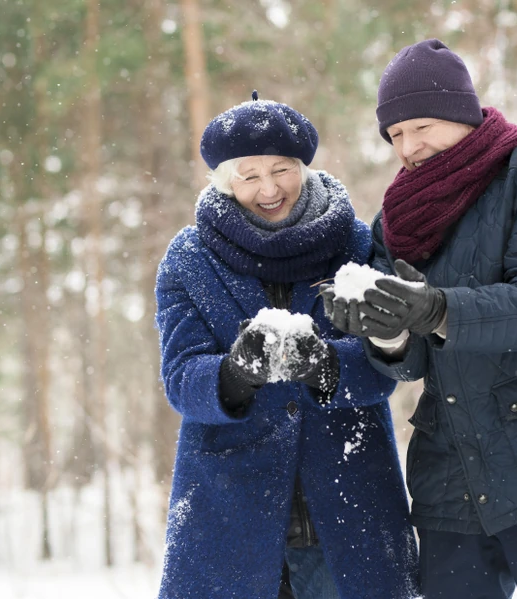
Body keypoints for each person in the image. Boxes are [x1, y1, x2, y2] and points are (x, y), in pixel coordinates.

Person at [322, 40, 517, 599]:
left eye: (421, 126)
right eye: (394, 135)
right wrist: (388, 328)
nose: (409, 147)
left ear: (462, 116)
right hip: (451, 481)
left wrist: (438, 307)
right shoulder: (395, 220)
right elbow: (413, 361)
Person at [155, 92, 418, 599]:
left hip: (349, 508)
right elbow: (181, 377)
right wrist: (234, 374)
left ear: (304, 167)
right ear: (225, 181)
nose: (270, 188)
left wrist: (325, 365)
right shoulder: (189, 259)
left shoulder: (356, 245)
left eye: (282, 169)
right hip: (229, 515)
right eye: (249, 175)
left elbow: (386, 365)